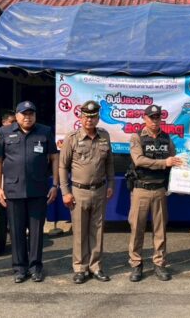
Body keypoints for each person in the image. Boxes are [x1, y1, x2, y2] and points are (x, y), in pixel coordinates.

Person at [0, 100, 59, 283]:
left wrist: (55, 184)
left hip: (38, 189)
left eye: (31, 114)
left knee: (37, 232)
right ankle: (19, 268)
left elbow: (55, 158)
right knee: (16, 231)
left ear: (35, 116)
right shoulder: (4, 132)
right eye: (24, 114)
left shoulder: (45, 131)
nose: (28, 117)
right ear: (17, 116)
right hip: (13, 189)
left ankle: (35, 267)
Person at [59, 100, 114, 284]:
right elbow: (62, 166)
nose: (89, 120)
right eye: (86, 117)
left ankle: (95, 266)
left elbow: (109, 163)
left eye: (93, 117)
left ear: (98, 118)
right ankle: (80, 268)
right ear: (81, 118)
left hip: (99, 189)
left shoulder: (104, 136)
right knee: (80, 232)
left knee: (97, 230)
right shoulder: (72, 138)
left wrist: (111, 183)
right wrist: (65, 191)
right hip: (78, 191)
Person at [128, 104, 182, 282]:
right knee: (137, 229)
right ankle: (136, 264)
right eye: (151, 117)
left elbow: (174, 160)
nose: (154, 120)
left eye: (157, 117)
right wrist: (164, 163)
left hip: (159, 189)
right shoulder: (136, 137)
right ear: (144, 118)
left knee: (160, 230)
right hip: (141, 189)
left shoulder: (167, 138)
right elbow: (138, 160)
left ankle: (159, 264)